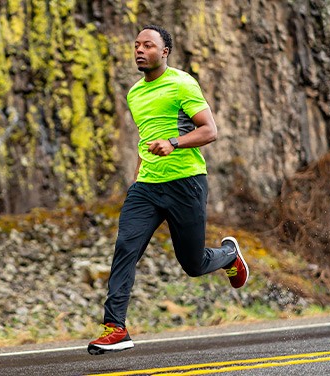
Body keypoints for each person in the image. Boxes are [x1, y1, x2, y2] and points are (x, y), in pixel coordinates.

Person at [89, 25, 250, 356]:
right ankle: (115, 328)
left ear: (164, 52)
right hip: (147, 187)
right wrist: (137, 179)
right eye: (136, 45)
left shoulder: (182, 83)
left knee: (192, 264)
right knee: (125, 249)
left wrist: (174, 143)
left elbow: (210, 130)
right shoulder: (134, 93)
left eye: (148, 45)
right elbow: (145, 138)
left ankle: (230, 256)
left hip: (185, 183)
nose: (139, 50)